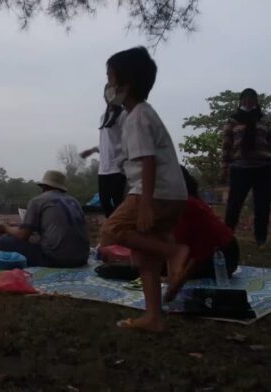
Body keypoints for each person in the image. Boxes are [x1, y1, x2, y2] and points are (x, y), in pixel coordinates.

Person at [99, 47, 189, 332]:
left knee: (111, 231)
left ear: (125, 84)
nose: (107, 86)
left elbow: (147, 160)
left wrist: (146, 203)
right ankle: (153, 317)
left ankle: (174, 253)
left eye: (110, 79)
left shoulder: (137, 117)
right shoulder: (141, 114)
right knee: (144, 258)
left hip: (155, 193)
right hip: (171, 193)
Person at [0, 170, 90, 268]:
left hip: (57, 260)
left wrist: (5, 228)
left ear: (44, 187)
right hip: (82, 258)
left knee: (4, 240)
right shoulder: (74, 201)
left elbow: (22, 236)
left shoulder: (38, 201)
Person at [222, 88, 271, 247]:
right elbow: (227, 145)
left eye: (252, 98)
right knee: (234, 205)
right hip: (240, 168)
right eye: (245, 98)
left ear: (256, 101)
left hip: (264, 168)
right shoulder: (233, 120)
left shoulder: (263, 120)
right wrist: (224, 167)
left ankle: (261, 238)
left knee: (262, 206)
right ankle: (226, 237)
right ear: (241, 101)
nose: (248, 101)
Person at [173, 167, 239, 280]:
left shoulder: (185, 205)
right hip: (216, 254)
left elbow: (194, 251)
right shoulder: (187, 202)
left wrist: (174, 285)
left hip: (221, 257)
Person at [80, 96, 126, 217]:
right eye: (107, 95)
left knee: (117, 200)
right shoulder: (103, 117)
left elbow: (126, 140)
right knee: (104, 200)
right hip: (104, 169)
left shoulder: (123, 115)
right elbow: (105, 142)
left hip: (118, 167)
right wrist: (92, 150)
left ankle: (118, 226)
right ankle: (112, 224)